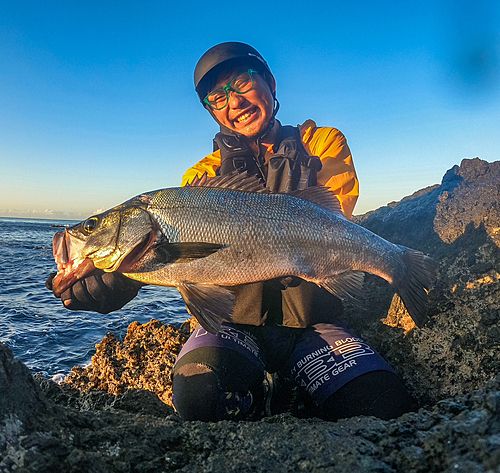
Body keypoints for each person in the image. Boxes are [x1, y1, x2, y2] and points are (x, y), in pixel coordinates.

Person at [47, 42, 414, 422]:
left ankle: (292, 385)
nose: (232, 102)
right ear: (210, 110)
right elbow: (191, 274)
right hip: (234, 326)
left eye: (242, 82)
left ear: (270, 84)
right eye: (216, 98)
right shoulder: (198, 178)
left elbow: (333, 223)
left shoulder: (320, 143)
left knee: (381, 404)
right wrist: (122, 278)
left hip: (315, 323)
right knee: (201, 397)